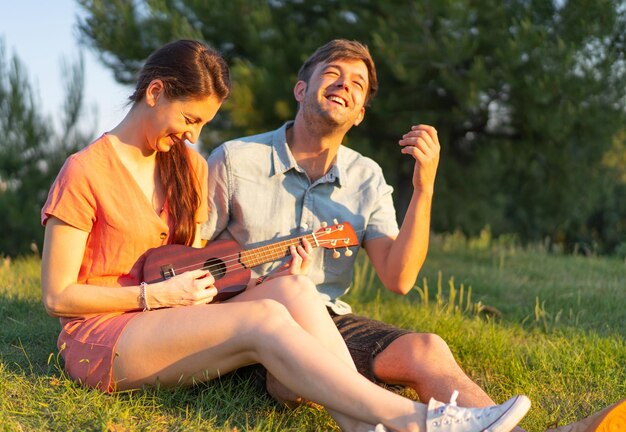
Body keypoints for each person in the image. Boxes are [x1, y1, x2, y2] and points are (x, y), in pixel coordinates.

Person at [40, 39, 531, 432]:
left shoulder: (186, 164)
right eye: (190, 120)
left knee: (294, 289)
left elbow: (188, 257)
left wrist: (249, 278)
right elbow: (57, 296)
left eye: (202, 126)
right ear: (155, 93)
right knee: (266, 321)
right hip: (105, 333)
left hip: (176, 316)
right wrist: (156, 293)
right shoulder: (85, 171)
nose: (193, 137)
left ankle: (364, 428)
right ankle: (420, 423)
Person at [201, 39, 625, 432]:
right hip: (252, 327)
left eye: (358, 84)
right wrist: (256, 285)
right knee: (294, 375)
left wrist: (425, 188)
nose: (345, 85)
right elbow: (189, 255)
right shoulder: (237, 160)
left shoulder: (365, 177)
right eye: (333, 73)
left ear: (360, 113)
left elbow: (398, 278)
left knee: (427, 349)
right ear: (300, 89)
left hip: (328, 319)